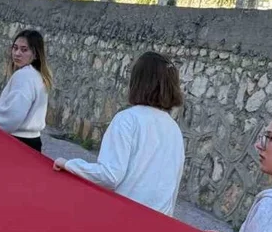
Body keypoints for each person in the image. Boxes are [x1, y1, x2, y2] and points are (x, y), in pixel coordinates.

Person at [52, 52, 185, 216]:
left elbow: (109, 175)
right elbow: (173, 186)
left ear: (138, 81)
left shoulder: (127, 119)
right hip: (159, 221)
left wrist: (68, 164)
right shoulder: (174, 129)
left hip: (126, 216)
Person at [0, 30, 52, 152]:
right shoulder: (38, 76)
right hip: (34, 142)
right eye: (15, 48)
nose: (17, 53)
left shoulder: (24, 76)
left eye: (24, 50)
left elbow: (10, 117)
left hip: (17, 142)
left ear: (35, 54)